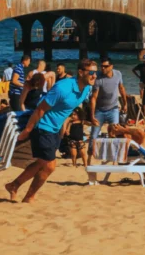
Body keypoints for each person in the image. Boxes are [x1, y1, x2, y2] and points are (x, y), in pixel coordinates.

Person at [7, 59, 97, 203]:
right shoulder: (62, 88)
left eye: (95, 73)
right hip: (42, 127)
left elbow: (73, 108)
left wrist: (88, 118)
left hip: (55, 129)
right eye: (91, 72)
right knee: (50, 165)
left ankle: (14, 185)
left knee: (42, 163)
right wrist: (27, 130)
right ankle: (28, 196)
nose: (94, 76)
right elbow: (40, 109)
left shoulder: (86, 88)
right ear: (80, 72)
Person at [89, 57, 127, 146]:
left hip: (113, 108)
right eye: (101, 66)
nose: (103, 68)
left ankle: (114, 158)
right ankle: (89, 158)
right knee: (93, 135)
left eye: (105, 66)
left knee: (114, 133)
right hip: (99, 110)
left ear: (111, 66)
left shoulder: (118, 74)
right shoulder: (98, 77)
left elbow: (121, 88)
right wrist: (92, 116)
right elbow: (94, 98)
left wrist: (125, 104)